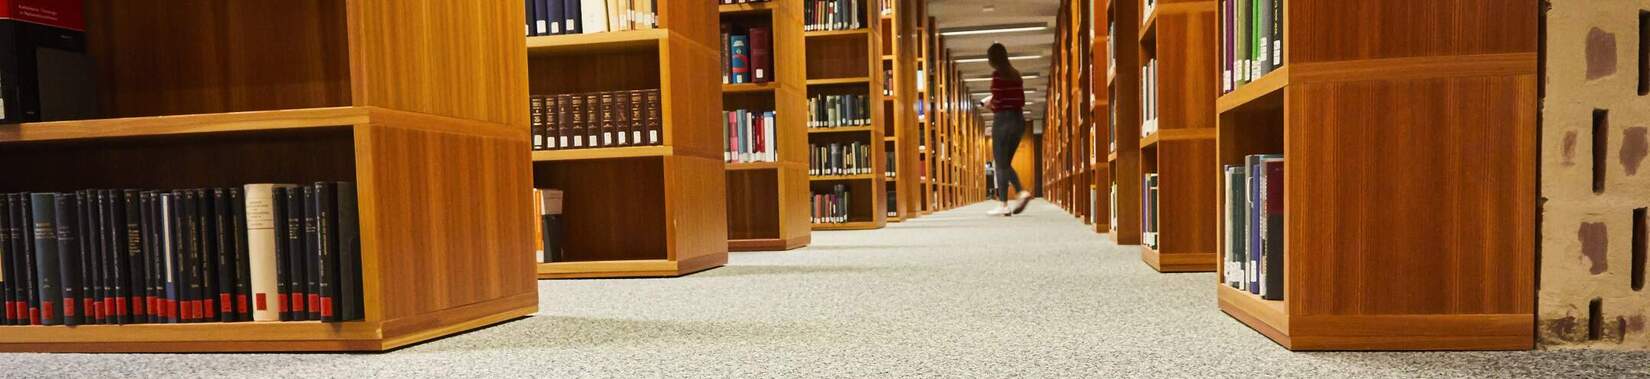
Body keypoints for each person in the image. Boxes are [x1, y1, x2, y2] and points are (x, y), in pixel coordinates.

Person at [983, 43, 1032, 216]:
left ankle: (1014, 196)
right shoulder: (1016, 75)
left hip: (1003, 121)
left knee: (1001, 163)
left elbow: (1000, 103)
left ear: (992, 60)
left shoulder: (998, 76)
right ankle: (1008, 203)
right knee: (1004, 164)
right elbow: (1022, 101)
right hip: (1018, 121)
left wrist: (990, 105)